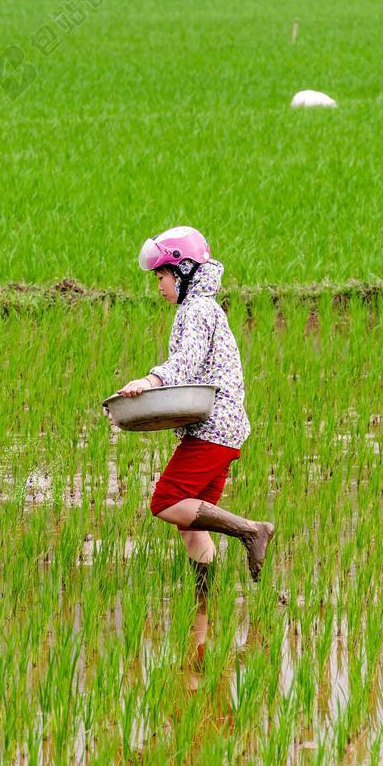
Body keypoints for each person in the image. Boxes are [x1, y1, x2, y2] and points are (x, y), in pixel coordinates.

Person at [115, 226, 274, 591]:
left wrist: (149, 382)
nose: (159, 286)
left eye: (161, 276)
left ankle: (252, 531)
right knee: (191, 527)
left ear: (183, 271)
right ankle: (205, 604)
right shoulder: (201, 308)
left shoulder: (198, 310)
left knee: (165, 501)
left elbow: (185, 362)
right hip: (224, 428)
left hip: (213, 428)